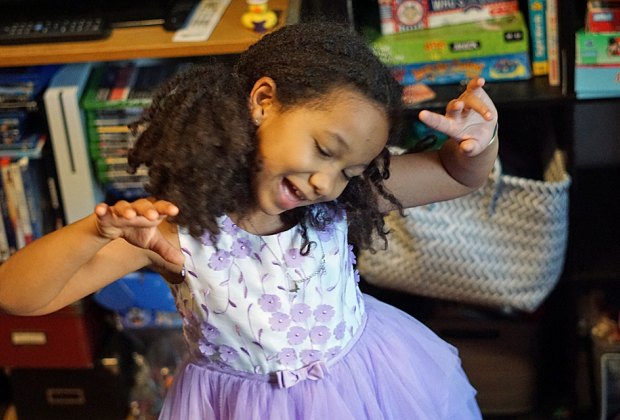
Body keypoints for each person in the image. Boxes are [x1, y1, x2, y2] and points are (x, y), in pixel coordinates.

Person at [0, 21, 498, 419]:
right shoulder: (173, 228)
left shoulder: (334, 202)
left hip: (367, 386)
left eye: (350, 171)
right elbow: (19, 296)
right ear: (263, 102)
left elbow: (457, 175)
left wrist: (480, 142)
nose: (327, 182)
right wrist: (95, 231)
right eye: (324, 150)